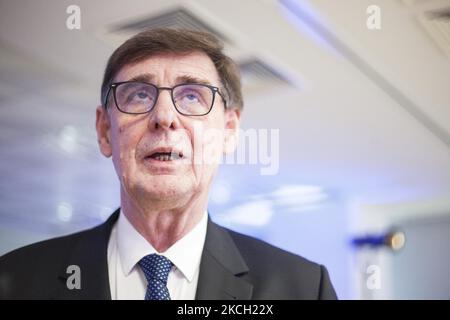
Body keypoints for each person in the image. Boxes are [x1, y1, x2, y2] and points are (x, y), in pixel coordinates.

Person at [0, 28, 337, 300]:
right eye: (138, 95)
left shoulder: (303, 289)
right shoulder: (15, 281)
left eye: (192, 96)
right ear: (105, 131)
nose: (164, 117)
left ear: (229, 132)